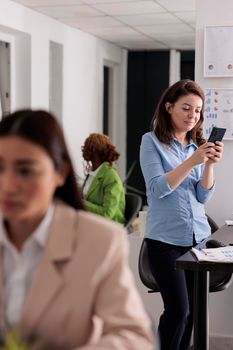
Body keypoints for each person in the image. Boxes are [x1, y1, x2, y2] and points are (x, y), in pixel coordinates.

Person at [0, 109, 154, 349]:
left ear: (60, 173)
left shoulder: (101, 241)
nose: (7, 185)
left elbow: (135, 338)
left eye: (25, 171)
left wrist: (83, 200)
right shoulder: (92, 175)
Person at [139, 79, 224, 350]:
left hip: (198, 239)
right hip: (165, 241)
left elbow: (202, 196)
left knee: (193, 315)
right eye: (186, 108)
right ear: (168, 107)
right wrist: (192, 162)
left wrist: (208, 164)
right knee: (178, 312)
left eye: (198, 110)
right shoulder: (150, 142)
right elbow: (157, 188)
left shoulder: (196, 144)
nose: (193, 116)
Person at [82, 133, 125, 224]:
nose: (83, 150)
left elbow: (106, 214)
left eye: (86, 146)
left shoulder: (111, 177)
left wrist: (81, 203)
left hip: (109, 228)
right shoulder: (93, 174)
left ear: (93, 151)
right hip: (91, 224)